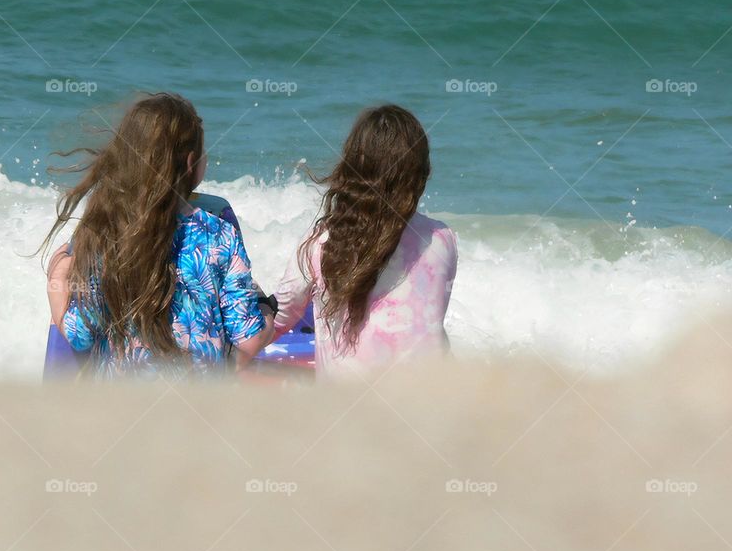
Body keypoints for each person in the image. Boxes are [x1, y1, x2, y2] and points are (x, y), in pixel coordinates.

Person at [40, 93, 273, 377]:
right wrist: (265, 309)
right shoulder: (220, 232)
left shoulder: (106, 232)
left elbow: (80, 335)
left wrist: (58, 278)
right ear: (191, 163)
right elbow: (249, 341)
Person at [272, 104, 457, 379]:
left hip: (350, 412)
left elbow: (279, 318)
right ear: (421, 174)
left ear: (351, 170)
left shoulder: (322, 243)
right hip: (429, 404)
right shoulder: (441, 239)